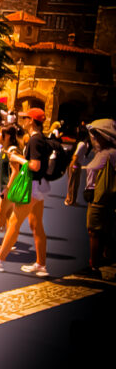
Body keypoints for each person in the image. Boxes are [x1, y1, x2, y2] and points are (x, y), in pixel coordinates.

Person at [0, 108, 51, 276]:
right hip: (39, 186)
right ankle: (41, 264)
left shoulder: (35, 140)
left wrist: (17, 159)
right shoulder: (40, 139)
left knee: (14, 222)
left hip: (32, 186)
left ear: (31, 121)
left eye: (25, 118)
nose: (23, 120)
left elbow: (34, 166)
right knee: (36, 225)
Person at [83, 119, 116, 277]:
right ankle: (99, 261)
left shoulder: (111, 153)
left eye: (97, 134)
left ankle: (94, 266)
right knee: (97, 231)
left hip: (101, 197)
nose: (95, 138)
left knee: (95, 231)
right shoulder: (102, 152)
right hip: (95, 196)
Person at [65, 127, 91, 206]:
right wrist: (74, 166)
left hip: (77, 164)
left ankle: (71, 199)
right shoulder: (82, 144)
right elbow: (75, 155)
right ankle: (70, 200)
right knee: (73, 183)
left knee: (75, 183)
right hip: (75, 164)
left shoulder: (85, 144)